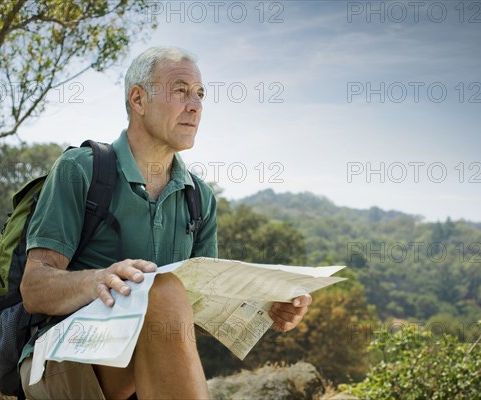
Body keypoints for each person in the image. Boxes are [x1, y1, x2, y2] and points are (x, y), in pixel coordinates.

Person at [19, 46, 312, 399]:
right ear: (139, 99)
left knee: (166, 293)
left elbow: (195, 315)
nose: (195, 105)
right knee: (163, 288)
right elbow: (34, 288)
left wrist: (265, 308)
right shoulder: (80, 170)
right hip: (60, 358)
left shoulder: (198, 197)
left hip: (139, 363)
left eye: (200, 94)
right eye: (180, 90)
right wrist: (99, 279)